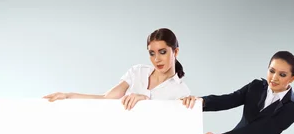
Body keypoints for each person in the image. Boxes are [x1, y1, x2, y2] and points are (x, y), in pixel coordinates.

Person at [43, 28, 190, 110]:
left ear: (175, 52)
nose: (156, 59)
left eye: (162, 52)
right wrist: (67, 96)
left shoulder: (181, 91)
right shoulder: (137, 72)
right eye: (152, 53)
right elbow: (105, 99)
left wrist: (144, 101)